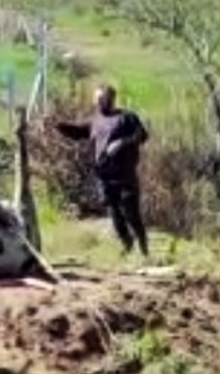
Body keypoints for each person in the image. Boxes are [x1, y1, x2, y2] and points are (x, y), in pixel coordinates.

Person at [54, 84, 151, 258]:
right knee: (114, 214)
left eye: (101, 98)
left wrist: (123, 142)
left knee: (131, 213)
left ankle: (144, 249)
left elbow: (142, 136)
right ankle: (127, 243)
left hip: (125, 175)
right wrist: (59, 126)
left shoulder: (127, 118)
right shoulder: (95, 121)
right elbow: (78, 132)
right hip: (104, 176)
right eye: (96, 99)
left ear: (111, 99)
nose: (98, 102)